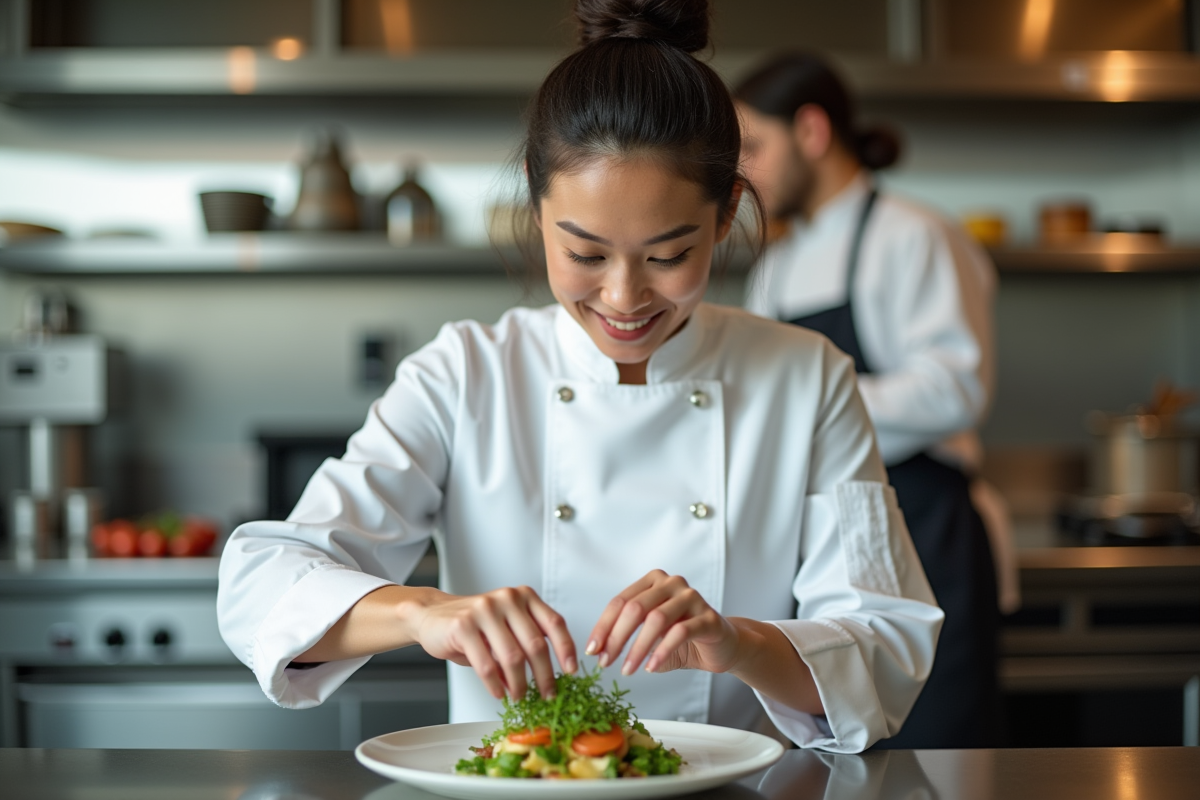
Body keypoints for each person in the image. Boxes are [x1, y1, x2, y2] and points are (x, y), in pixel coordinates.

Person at [217, 1, 942, 754]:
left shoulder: (808, 379)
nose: (625, 298)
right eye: (587, 255)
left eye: (668, 256)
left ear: (727, 214)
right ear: (536, 198)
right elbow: (261, 580)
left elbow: (884, 649)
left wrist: (739, 643)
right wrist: (421, 613)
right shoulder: (466, 373)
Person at [735, 53, 1002, 748]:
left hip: (927, 529)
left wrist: (815, 395)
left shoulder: (915, 236)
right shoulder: (779, 262)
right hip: (820, 536)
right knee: (835, 749)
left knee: (938, 757)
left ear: (813, 132)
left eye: (755, 147)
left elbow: (958, 389)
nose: (746, 172)